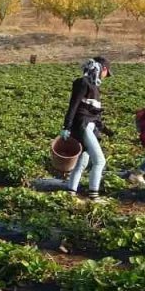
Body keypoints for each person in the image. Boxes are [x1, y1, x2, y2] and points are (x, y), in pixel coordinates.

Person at [61, 57, 113, 201]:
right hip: (82, 126)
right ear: (102, 69)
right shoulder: (82, 83)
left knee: (82, 162)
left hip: (89, 126)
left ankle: (70, 193)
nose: (105, 76)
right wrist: (66, 126)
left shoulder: (95, 86)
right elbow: (74, 105)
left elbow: (93, 113)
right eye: (106, 73)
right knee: (100, 161)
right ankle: (93, 196)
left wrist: (105, 129)